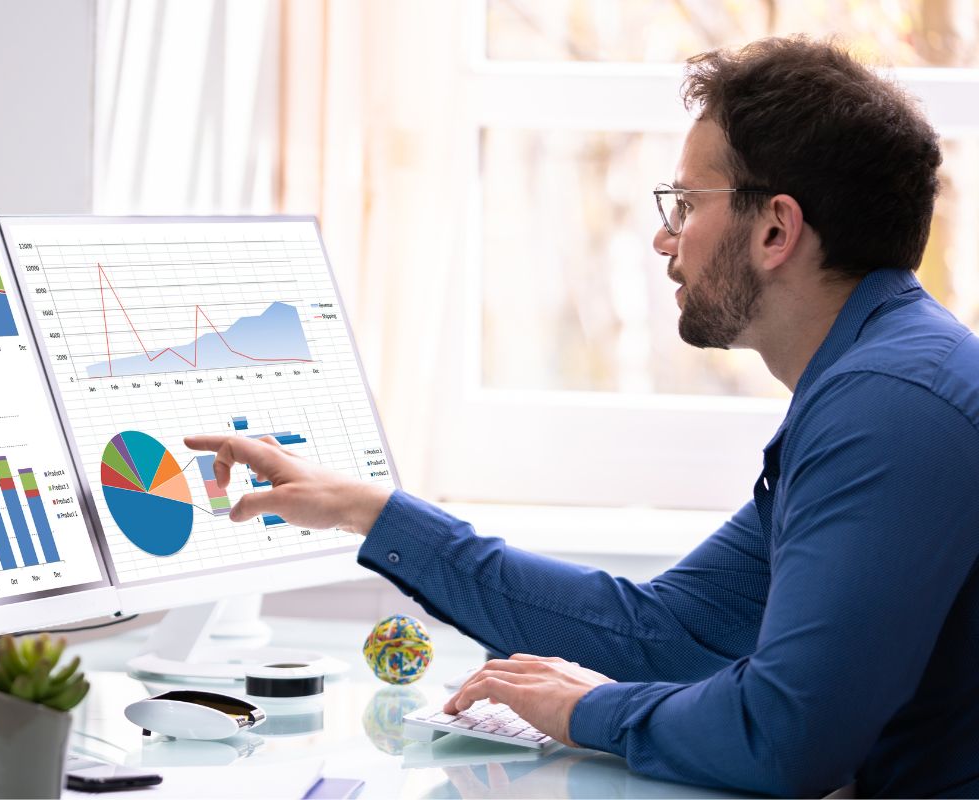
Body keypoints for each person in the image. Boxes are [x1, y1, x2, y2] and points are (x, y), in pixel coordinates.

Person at [187, 36, 979, 798]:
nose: (664, 238)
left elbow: (787, 734)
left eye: (685, 203)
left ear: (776, 229)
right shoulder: (875, 385)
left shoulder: (890, 412)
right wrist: (367, 510)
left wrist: (585, 709)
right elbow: (661, 634)